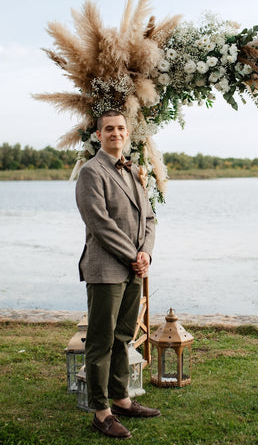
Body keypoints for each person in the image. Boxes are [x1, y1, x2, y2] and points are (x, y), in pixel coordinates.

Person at [76, 110, 160, 440]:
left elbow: (149, 219)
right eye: (109, 129)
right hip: (106, 269)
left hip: (134, 268)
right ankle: (101, 412)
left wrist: (146, 253)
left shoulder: (131, 171)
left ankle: (122, 399)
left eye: (120, 128)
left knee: (123, 337)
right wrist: (132, 256)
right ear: (99, 135)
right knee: (101, 340)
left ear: (127, 134)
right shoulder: (91, 172)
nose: (115, 133)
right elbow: (99, 223)